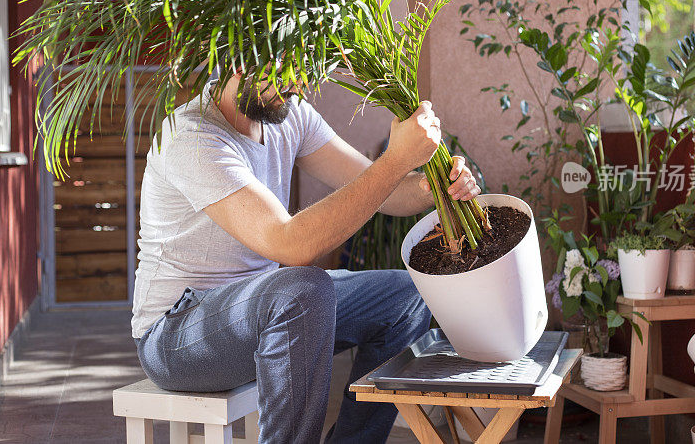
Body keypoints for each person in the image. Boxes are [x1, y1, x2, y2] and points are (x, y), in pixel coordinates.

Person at [130, 67, 481, 443]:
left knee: (407, 297)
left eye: (304, 70)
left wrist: (437, 185)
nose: (298, 85)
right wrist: (394, 161)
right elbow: (291, 244)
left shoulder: (289, 113)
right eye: (284, 71)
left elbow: (387, 192)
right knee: (302, 290)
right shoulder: (192, 136)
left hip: (261, 310)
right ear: (237, 60)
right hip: (176, 334)